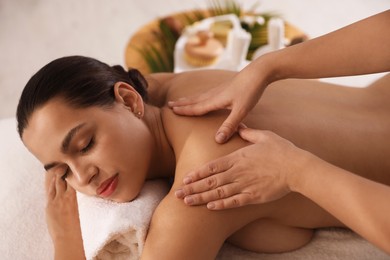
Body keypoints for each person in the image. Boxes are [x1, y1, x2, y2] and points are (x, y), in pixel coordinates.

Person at [17, 55, 390, 259]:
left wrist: (67, 241)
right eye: (62, 170)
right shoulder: (188, 88)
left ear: (130, 100)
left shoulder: (203, 185)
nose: (84, 179)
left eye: (84, 146)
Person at [166, 10, 390, 254]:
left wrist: (297, 171)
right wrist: (266, 67)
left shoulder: (197, 181)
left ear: (129, 98)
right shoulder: (180, 87)